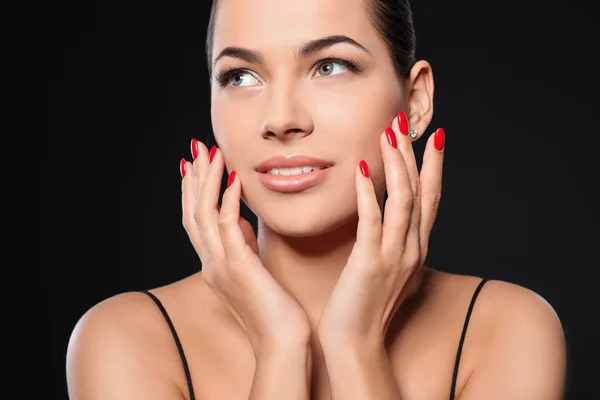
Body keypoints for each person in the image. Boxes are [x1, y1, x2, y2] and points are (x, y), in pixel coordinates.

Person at [66, 0, 567, 399]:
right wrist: (280, 348)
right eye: (240, 76)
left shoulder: (506, 331)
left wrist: (355, 346)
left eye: (330, 65)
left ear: (415, 102)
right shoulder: (126, 341)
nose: (281, 118)